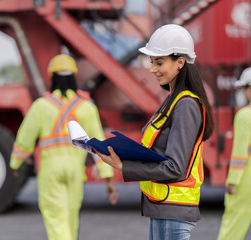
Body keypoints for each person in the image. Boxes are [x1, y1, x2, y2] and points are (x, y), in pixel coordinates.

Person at [94, 24, 214, 240]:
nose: (152, 69)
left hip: (175, 210)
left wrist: (125, 167)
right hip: (162, 207)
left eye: (159, 62)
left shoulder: (185, 105)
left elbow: (175, 167)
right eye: (151, 62)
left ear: (180, 62)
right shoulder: (173, 100)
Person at [9, 53, 118, 240]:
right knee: (70, 217)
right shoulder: (86, 107)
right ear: (74, 77)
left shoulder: (41, 106)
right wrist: (108, 178)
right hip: (76, 171)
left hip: (50, 172)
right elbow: (99, 144)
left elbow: (24, 139)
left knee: (56, 219)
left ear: (52, 78)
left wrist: (15, 163)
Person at [217, 67, 251, 240]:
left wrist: (232, 181)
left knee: (233, 224)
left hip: (246, 181)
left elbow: (240, 152)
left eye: (244, 88)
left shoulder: (245, 115)